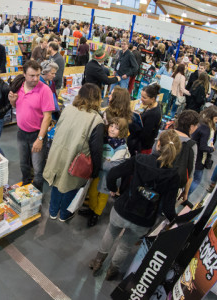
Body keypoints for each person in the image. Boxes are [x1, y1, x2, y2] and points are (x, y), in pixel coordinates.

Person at [90, 130, 184, 280]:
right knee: (126, 245)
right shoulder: (173, 176)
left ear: (158, 144)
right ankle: (112, 271)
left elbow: (113, 173)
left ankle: (97, 261)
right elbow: (168, 208)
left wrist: (113, 189)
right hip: (144, 219)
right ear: (176, 152)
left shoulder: (140, 159)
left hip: (123, 209)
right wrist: (177, 221)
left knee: (111, 232)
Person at [43, 83, 105, 222]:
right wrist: (94, 172)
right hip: (75, 159)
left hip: (58, 154)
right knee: (70, 187)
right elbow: (96, 150)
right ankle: (64, 215)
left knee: (56, 183)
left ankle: (53, 212)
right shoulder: (96, 120)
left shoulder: (68, 109)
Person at [9, 60, 56, 191]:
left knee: (38, 168)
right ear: (24, 74)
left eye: (38, 75)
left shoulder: (44, 90)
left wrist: (40, 139)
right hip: (21, 132)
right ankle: (25, 187)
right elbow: (17, 106)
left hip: (37, 134)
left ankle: (36, 194)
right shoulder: (18, 86)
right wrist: (12, 102)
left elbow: (48, 116)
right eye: (32, 76)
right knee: (24, 164)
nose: (36, 79)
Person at [84, 117, 130, 227]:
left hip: (109, 177)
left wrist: (98, 161)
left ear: (122, 132)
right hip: (98, 173)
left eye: (116, 128)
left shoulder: (122, 147)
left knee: (103, 196)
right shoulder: (104, 139)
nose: (112, 129)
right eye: (111, 126)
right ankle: (91, 209)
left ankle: (96, 214)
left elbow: (113, 166)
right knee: (92, 192)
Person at [189, 106, 217, 196]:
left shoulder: (201, 122)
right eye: (216, 119)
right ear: (211, 117)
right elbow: (202, 146)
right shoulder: (206, 129)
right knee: (197, 179)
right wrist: (211, 149)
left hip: (193, 153)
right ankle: (186, 196)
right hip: (199, 157)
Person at [128, 84, 163, 155]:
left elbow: (145, 135)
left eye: (144, 97)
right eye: (141, 96)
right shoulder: (152, 106)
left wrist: (132, 125)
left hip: (141, 147)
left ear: (152, 99)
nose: (141, 99)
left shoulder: (153, 114)